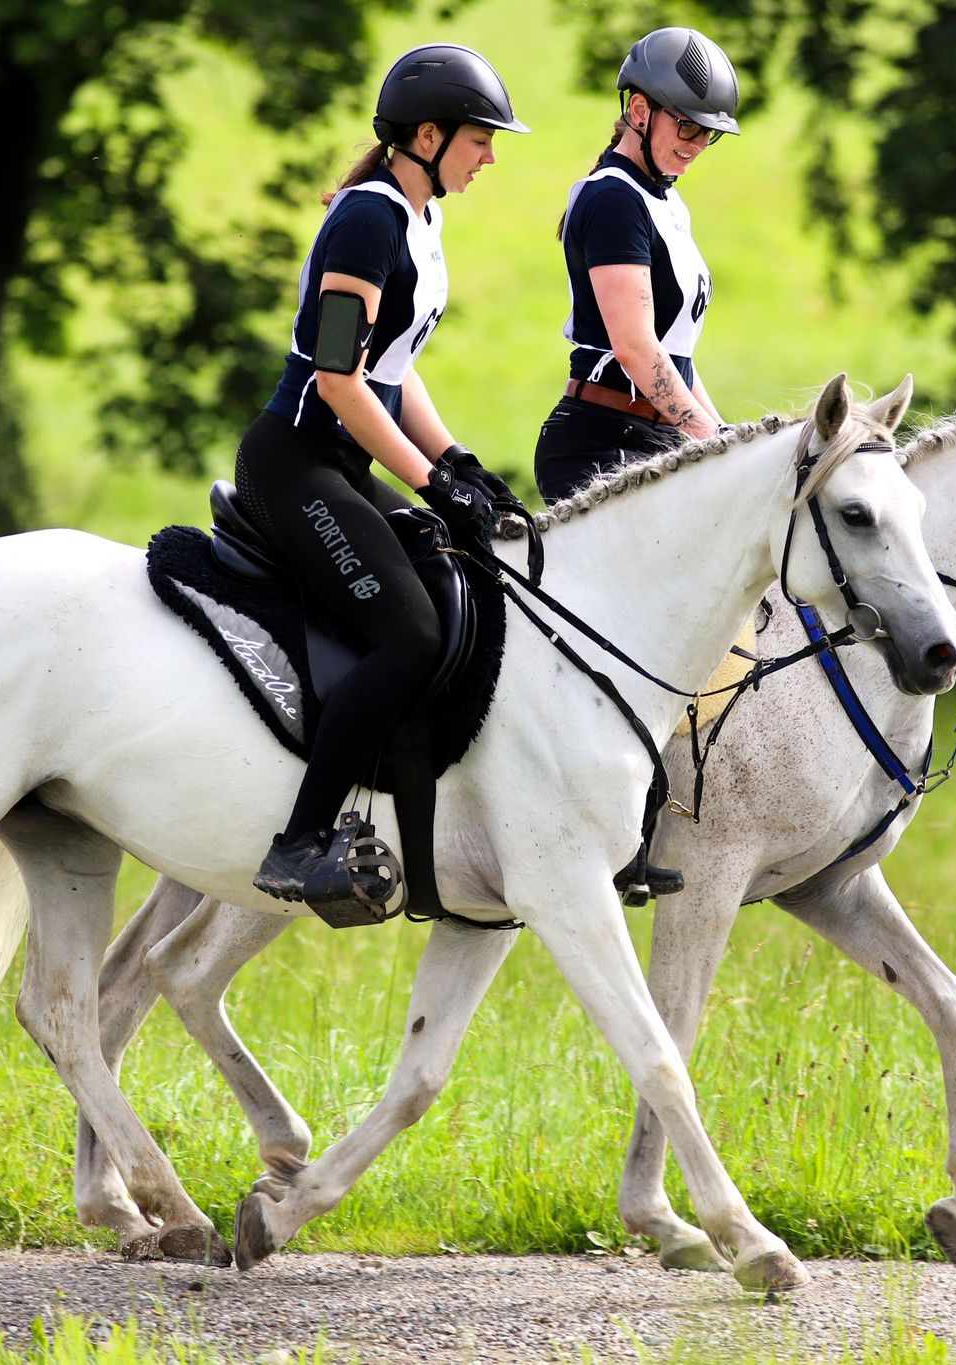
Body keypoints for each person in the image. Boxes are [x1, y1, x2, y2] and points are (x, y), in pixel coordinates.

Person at [241, 44, 527, 904]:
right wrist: (429, 484)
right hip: (294, 462)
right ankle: (298, 843)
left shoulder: (419, 218)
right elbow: (338, 379)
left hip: (341, 459)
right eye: (481, 140)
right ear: (428, 137)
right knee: (408, 634)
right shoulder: (368, 222)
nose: (490, 158)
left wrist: (456, 461)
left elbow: (395, 369)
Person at [534, 27, 741, 503]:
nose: (697, 143)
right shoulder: (614, 198)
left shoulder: (667, 200)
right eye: (686, 125)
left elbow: (676, 355)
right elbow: (635, 348)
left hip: (655, 434)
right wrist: (711, 439)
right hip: (603, 442)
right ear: (641, 111)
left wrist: (726, 434)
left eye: (708, 133)